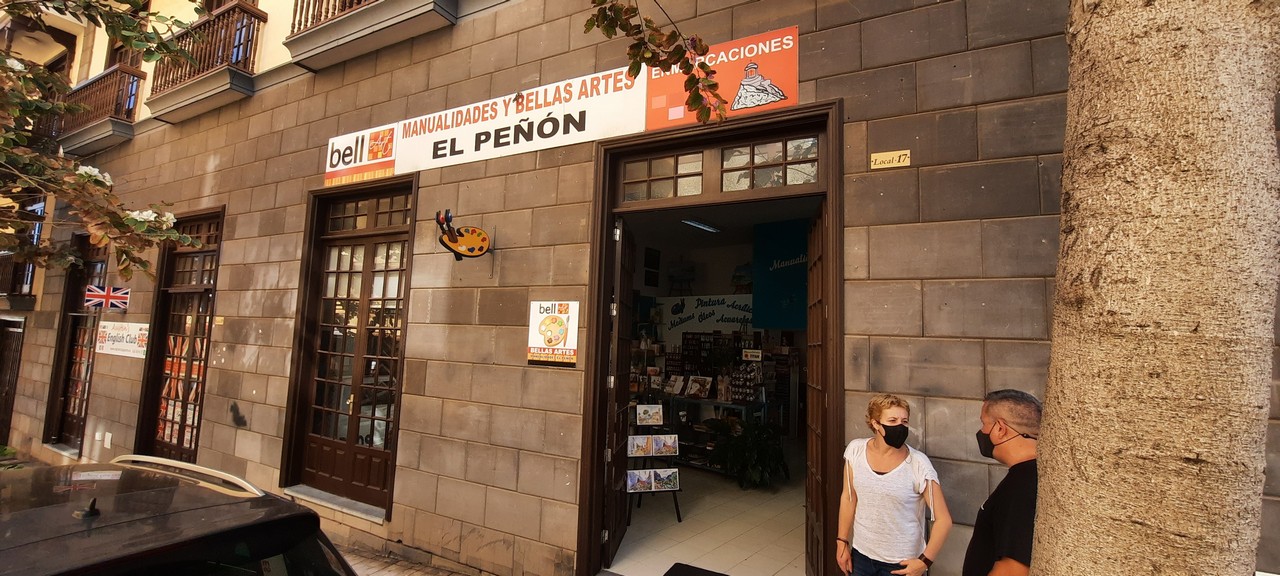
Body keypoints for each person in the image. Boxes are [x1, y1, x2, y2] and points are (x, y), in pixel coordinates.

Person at [837, 394, 953, 576]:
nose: (900, 426)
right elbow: (849, 497)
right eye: (892, 420)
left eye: (904, 421)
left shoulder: (919, 464)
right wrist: (842, 541)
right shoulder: (855, 450)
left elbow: (943, 519)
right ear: (875, 423)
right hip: (861, 556)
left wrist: (924, 562)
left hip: (902, 564)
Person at [962, 389, 1042, 576]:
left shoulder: (1022, 485)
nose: (981, 432)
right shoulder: (1030, 475)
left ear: (1000, 428)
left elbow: (1013, 570)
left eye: (984, 424)